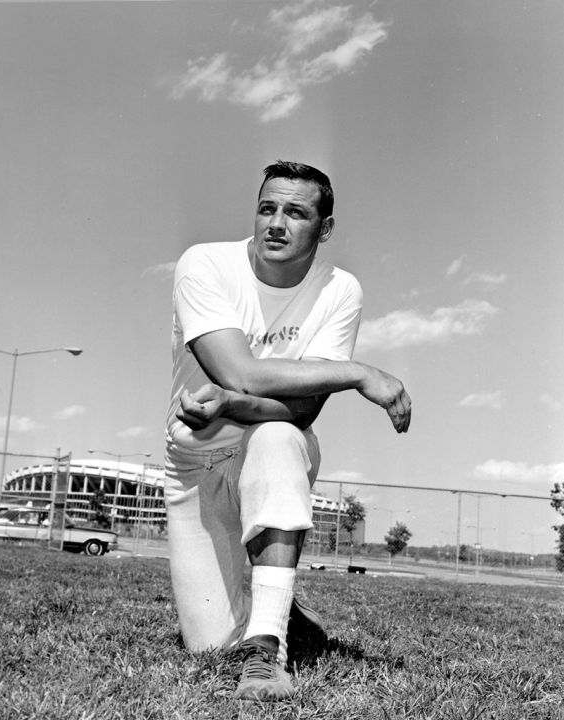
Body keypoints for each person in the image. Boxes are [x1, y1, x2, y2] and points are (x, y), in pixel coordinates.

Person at [163, 160, 412, 701]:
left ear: (324, 229)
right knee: (210, 646)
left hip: (273, 441)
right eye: (267, 208)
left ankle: (266, 648)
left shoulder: (339, 290)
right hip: (196, 461)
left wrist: (235, 404)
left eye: (296, 213)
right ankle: (282, 605)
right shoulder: (204, 263)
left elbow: (301, 411)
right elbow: (240, 372)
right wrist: (360, 372)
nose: (275, 223)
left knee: (277, 438)